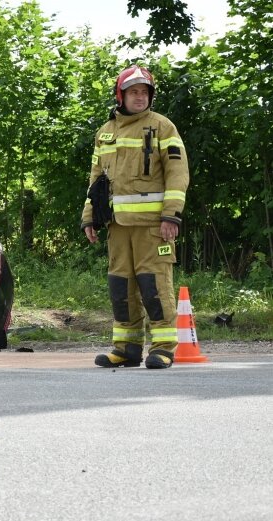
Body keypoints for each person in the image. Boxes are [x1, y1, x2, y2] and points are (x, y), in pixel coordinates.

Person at [80, 65, 189, 370]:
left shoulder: (163, 127)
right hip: (118, 226)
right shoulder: (105, 132)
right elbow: (96, 179)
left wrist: (172, 216)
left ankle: (164, 347)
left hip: (154, 227)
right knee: (121, 288)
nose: (140, 97)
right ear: (121, 95)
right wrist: (90, 217)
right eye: (134, 92)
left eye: (144, 92)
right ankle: (126, 348)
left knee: (155, 286)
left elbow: (178, 174)